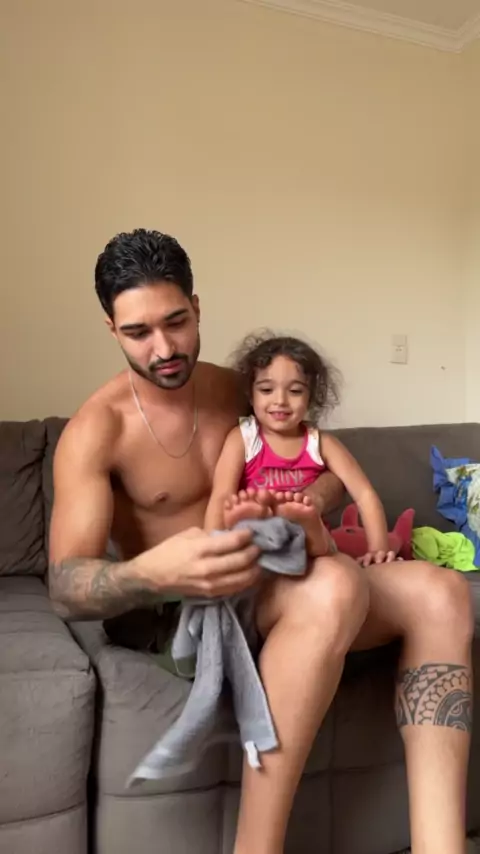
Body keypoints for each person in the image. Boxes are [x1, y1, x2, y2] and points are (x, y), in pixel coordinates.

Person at [48, 228, 474, 854]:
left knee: (441, 592)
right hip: (185, 611)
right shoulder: (97, 429)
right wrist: (152, 572)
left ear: (198, 308)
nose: (164, 348)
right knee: (333, 584)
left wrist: (314, 501)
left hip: (276, 574)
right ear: (112, 330)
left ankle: (442, 845)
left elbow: (326, 468)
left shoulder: (240, 390)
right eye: (138, 333)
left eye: (176, 322)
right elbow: (66, 585)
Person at [205, 331, 397, 569]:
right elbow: (222, 496)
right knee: (248, 525)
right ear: (251, 395)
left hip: (314, 551)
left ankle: (304, 526)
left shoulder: (322, 443)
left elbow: (365, 494)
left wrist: (379, 550)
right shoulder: (243, 438)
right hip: (258, 547)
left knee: (316, 537)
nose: (280, 400)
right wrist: (210, 548)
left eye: (295, 391)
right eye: (266, 390)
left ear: (310, 397)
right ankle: (258, 522)